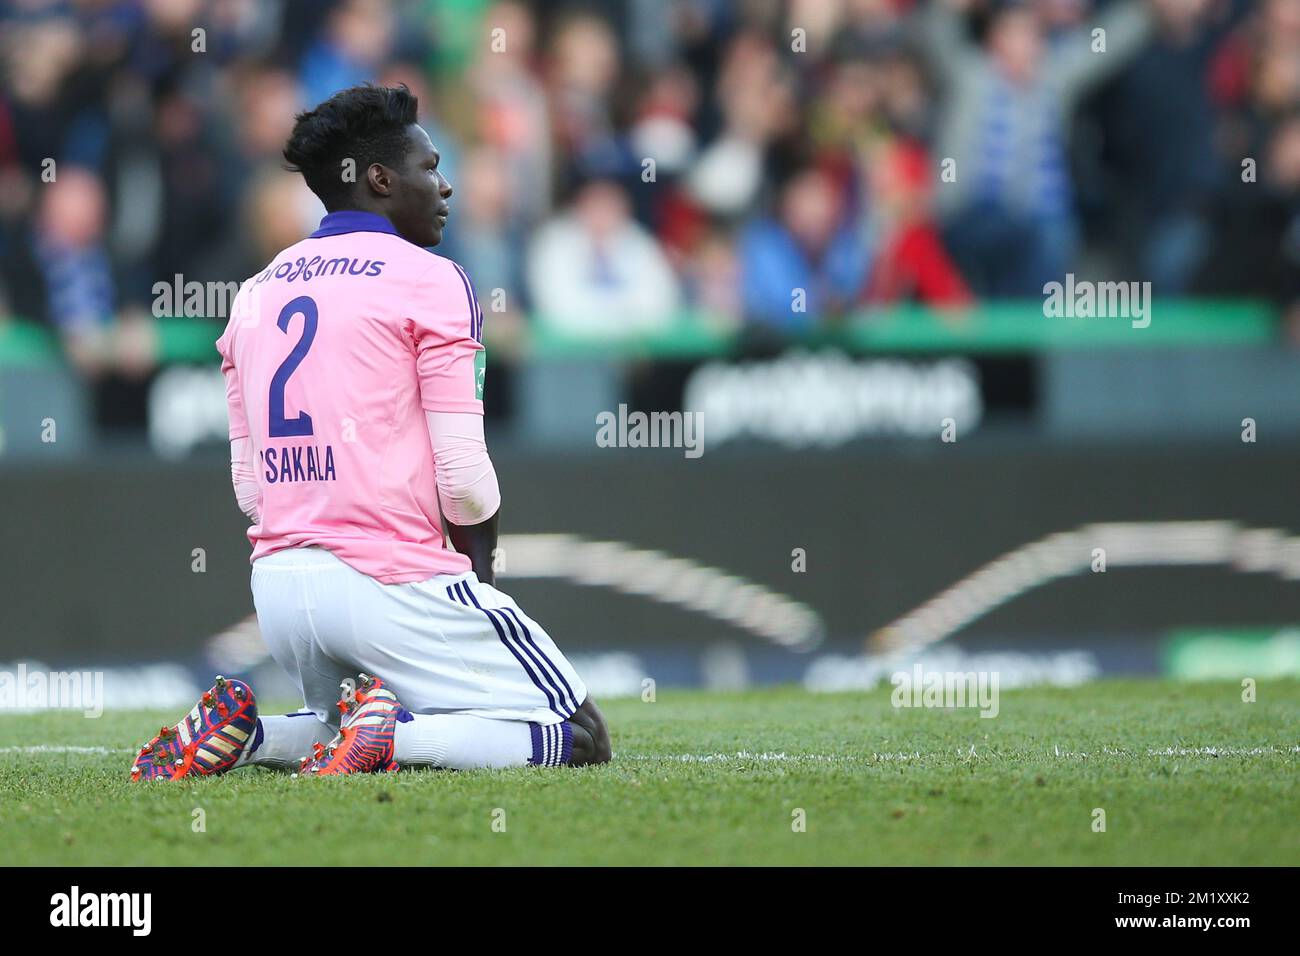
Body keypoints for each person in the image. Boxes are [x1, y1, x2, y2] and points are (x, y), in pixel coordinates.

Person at [130, 84, 610, 780]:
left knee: (340, 723)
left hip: (281, 592)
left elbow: (250, 491)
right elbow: (467, 485)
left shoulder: (257, 289)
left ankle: (251, 733)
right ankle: (394, 742)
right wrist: (479, 579)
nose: (446, 185)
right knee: (580, 734)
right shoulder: (433, 279)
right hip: (391, 582)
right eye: (431, 166)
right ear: (380, 178)